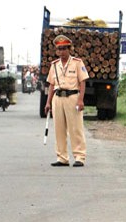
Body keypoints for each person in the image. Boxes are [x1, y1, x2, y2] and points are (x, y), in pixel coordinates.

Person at [44, 34, 89, 167]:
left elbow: (82, 82)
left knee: (76, 128)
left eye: (64, 48)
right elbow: (51, 84)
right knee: (59, 129)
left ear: (69, 49)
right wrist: (48, 102)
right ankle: (62, 157)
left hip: (72, 97)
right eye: (59, 49)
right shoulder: (54, 65)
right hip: (58, 98)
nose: (61, 52)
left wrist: (80, 100)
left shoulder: (77, 63)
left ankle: (79, 156)